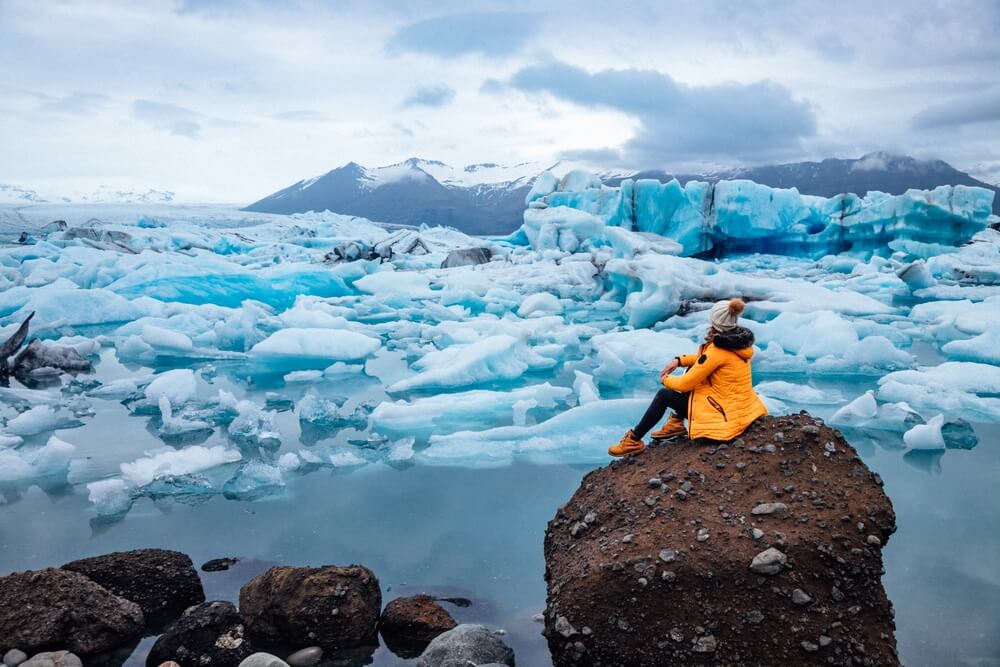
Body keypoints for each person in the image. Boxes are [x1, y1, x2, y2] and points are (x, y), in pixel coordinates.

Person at [609, 298, 767, 457]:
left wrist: (664, 378)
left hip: (723, 417)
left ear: (715, 321)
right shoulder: (736, 344)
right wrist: (680, 360)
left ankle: (633, 441)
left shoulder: (717, 351)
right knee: (693, 368)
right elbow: (704, 359)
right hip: (736, 408)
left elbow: (684, 384)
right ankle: (676, 423)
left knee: (664, 395)